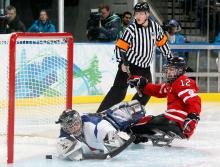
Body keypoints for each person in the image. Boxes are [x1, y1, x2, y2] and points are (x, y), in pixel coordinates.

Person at [96, 2, 173, 113]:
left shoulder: (155, 28)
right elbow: (119, 48)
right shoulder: (131, 29)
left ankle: (130, 114)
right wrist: (121, 62)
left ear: (147, 14)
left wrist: (170, 58)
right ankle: (100, 114)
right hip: (129, 66)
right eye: (136, 13)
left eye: (141, 13)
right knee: (118, 93)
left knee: (147, 92)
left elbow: (162, 44)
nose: (137, 16)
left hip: (144, 68)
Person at [127, 57, 201, 146]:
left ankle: (132, 133)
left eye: (171, 69)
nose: (168, 72)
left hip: (177, 121)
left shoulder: (183, 81)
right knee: (144, 123)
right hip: (175, 121)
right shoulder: (172, 84)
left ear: (180, 70)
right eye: (168, 69)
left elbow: (194, 100)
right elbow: (157, 90)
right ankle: (139, 134)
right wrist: (143, 84)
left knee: (138, 124)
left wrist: (192, 117)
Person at [55, 100, 145, 161]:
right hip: (106, 119)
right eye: (71, 127)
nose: (75, 128)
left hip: (114, 120)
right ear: (65, 127)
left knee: (139, 113)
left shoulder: (92, 125)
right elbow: (61, 142)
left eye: (76, 124)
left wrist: (112, 136)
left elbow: (102, 126)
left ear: (79, 120)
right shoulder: (65, 129)